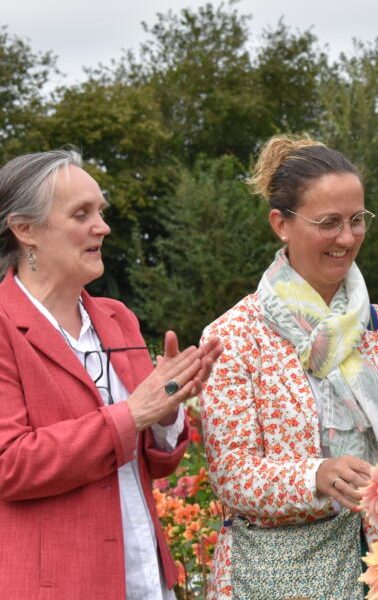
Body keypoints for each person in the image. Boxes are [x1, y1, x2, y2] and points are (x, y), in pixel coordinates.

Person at [200, 135, 378, 599]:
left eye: (356, 220)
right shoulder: (234, 335)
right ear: (280, 225)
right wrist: (315, 475)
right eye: (328, 222)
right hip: (275, 576)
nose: (347, 238)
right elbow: (232, 473)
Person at [0, 149, 222, 599]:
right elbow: (11, 464)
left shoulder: (116, 318)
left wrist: (166, 413)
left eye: (100, 211)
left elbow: (154, 462)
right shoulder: (5, 326)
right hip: (57, 585)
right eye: (81, 214)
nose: (102, 226)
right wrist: (134, 413)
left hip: (143, 577)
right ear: (25, 230)